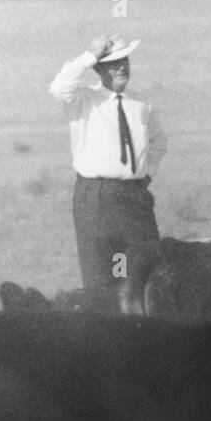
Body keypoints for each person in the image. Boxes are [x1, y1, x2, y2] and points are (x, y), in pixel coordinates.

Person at [50, 34, 166, 311]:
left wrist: (144, 176)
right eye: (113, 64)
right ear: (99, 70)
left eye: (124, 62)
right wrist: (89, 55)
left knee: (142, 276)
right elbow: (59, 87)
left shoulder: (141, 105)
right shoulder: (83, 101)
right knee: (103, 282)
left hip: (134, 199)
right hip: (96, 199)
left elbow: (159, 142)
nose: (121, 69)